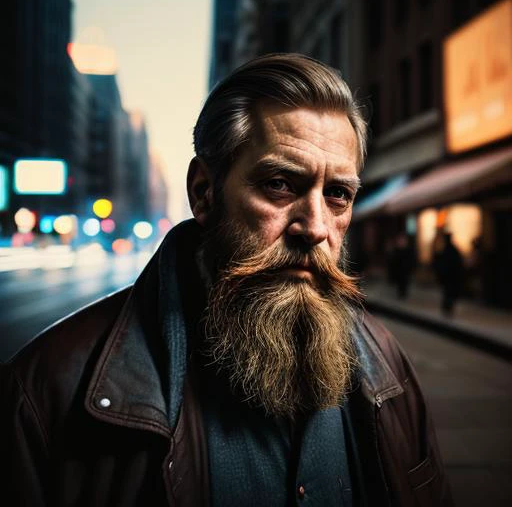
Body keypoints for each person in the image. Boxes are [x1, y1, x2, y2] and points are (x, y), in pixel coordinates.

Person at [1, 54, 453, 506]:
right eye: (279, 184)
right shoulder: (47, 391)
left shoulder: (387, 367)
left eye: (338, 195)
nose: (315, 226)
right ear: (204, 192)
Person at [433, 231, 464, 316]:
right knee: (448, 293)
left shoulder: (449, 250)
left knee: (449, 293)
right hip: (450, 277)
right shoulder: (450, 250)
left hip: (450, 277)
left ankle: (448, 309)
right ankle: (447, 309)